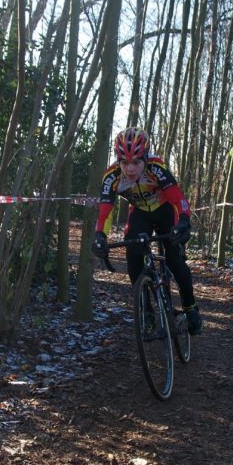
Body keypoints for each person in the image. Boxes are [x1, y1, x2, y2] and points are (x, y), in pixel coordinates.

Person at [91, 127, 202, 335]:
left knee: (174, 260)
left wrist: (185, 221)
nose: (130, 169)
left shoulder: (156, 167)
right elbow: (105, 211)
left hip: (165, 210)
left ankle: (191, 307)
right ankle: (147, 311)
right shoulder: (112, 176)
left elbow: (178, 198)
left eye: (136, 162)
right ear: (118, 161)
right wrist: (100, 235)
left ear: (145, 158)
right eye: (125, 163)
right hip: (140, 213)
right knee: (133, 256)